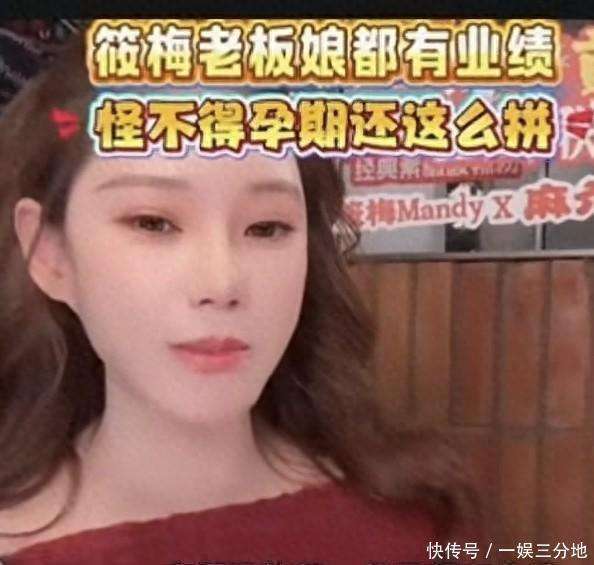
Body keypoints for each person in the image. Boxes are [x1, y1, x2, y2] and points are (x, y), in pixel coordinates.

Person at [0, 23, 483, 564]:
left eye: (267, 227)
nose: (221, 284)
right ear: (49, 254)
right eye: (153, 222)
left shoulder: (412, 525)